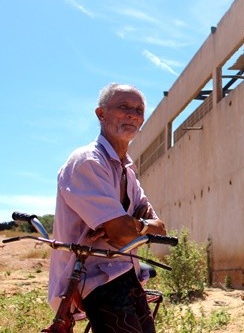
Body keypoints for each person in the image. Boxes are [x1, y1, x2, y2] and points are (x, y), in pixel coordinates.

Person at [48, 83, 166, 333]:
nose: (133, 115)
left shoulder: (128, 172)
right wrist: (130, 226)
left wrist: (132, 224)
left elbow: (160, 229)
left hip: (126, 272)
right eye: (123, 107)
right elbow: (122, 234)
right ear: (101, 114)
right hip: (94, 278)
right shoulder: (88, 162)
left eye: (139, 110)